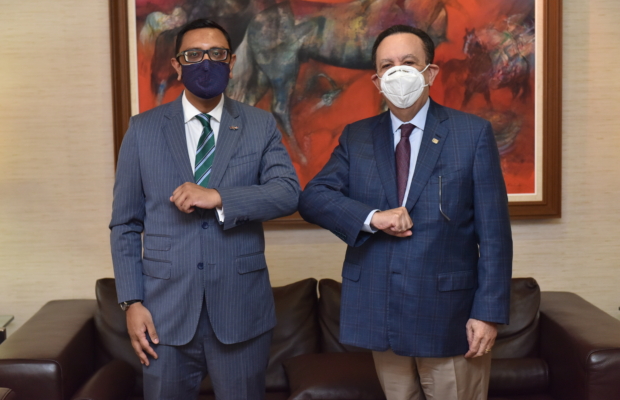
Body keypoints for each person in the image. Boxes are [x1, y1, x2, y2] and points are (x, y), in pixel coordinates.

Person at [299, 25, 512, 400]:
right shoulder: (357, 136)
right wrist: (372, 217)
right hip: (382, 314)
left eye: (409, 62)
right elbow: (314, 197)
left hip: (449, 317)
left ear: (430, 72)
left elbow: (494, 235)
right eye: (387, 65)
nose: (398, 72)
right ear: (377, 81)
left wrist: (488, 313)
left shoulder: (472, 134)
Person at [110, 18, 300, 400]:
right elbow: (125, 224)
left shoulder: (259, 124)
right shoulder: (143, 129)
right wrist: (131, 302)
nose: (206, 63)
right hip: (163, 316)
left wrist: (220, 197)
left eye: (216, 54)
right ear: (177, 65)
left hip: (241, 313)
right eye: (193, 55)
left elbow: (287, 193)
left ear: (231, 62)